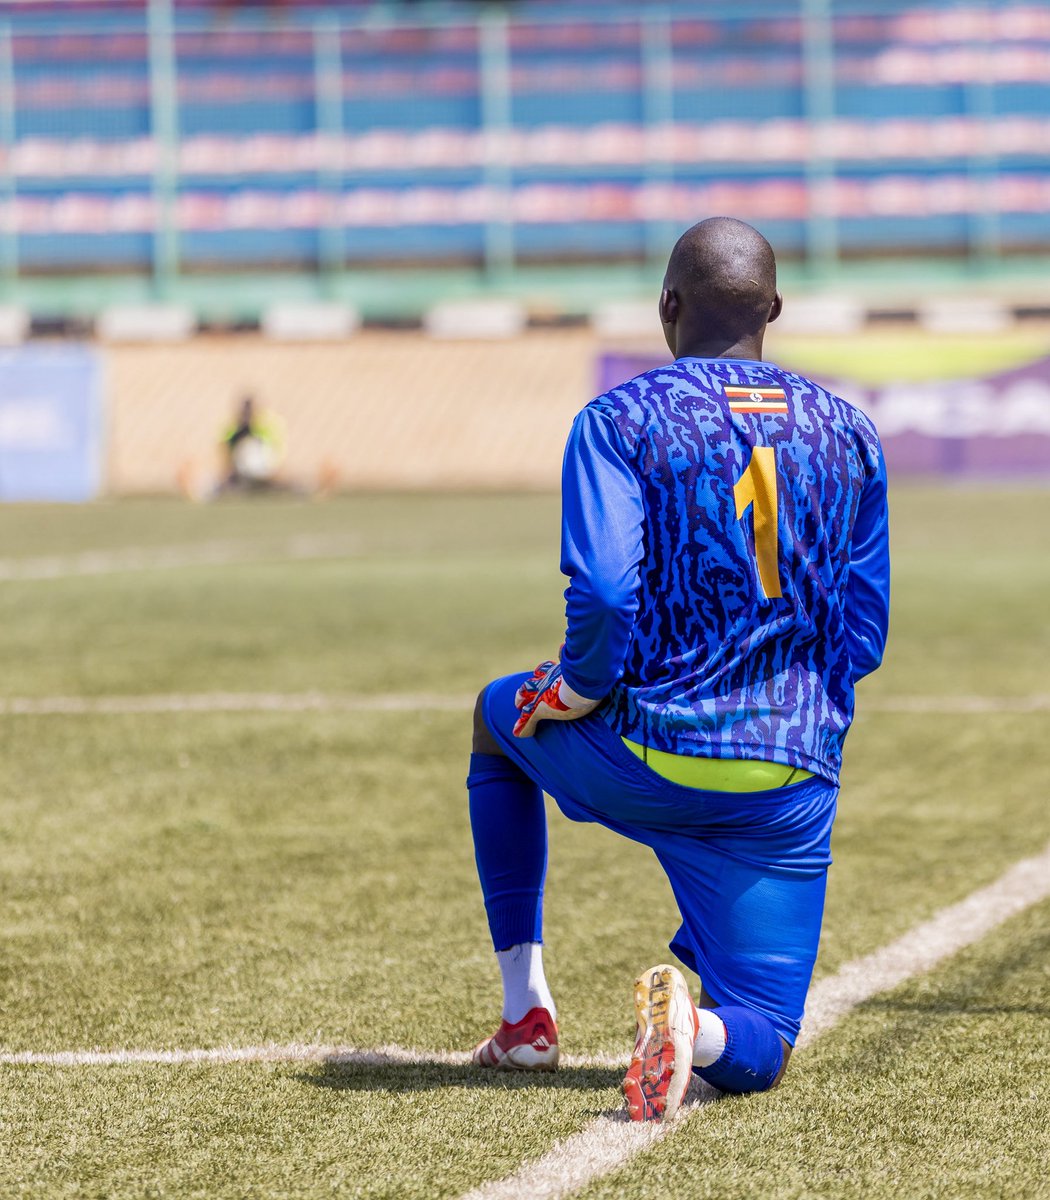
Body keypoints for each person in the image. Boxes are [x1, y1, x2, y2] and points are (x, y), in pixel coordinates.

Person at [466, 217, 890, 1122]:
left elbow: (608, 600)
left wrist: (576, 689)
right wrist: (802, 719)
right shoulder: (851, 431)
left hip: (644, 753)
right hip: (785, 784)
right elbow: (864, 631)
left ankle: (525, 1018)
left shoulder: (619, 418)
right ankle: (697, 1031)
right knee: (765, 1039)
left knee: (495, 723)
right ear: (775, 309)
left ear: (667, 304)